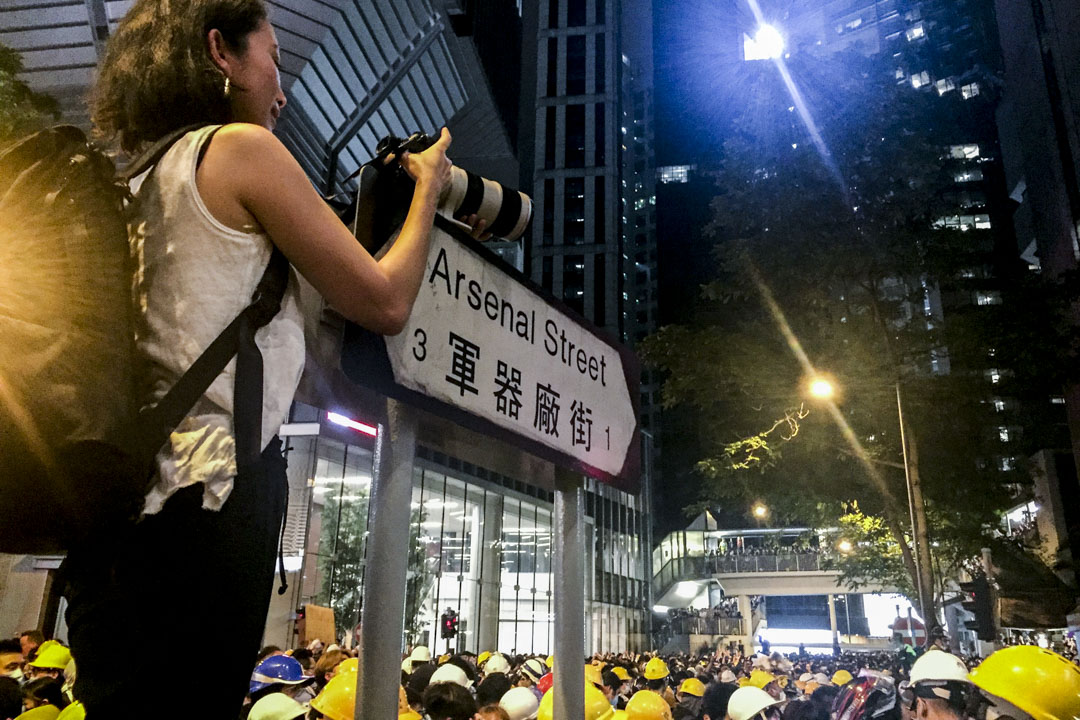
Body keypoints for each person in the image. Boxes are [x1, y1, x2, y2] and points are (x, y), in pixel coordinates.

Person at [58, 0, 473, 717]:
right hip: (210, 501)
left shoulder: (138, 179)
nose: (281, 89)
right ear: (220, 51)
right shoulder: (240, 151)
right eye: (273, 59)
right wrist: (429, 191)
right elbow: (383, 302)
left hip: (116, 519)